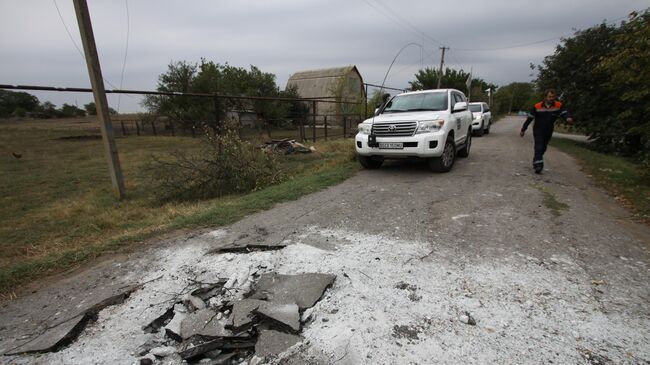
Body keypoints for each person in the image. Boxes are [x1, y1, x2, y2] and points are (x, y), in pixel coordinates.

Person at [519, 89, 573, 174]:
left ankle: (536, 159)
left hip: (549, 129)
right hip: (538, 129)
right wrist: (523, 129)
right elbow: (529, 119)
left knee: (543, 147)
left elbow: (564, 113)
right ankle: (538, 166)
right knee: (538, 146)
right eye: (549, 97)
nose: (551, 98)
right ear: (545, 97)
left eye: (553, 97)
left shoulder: (558, 105)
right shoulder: (537, 106)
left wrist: (568, 118)